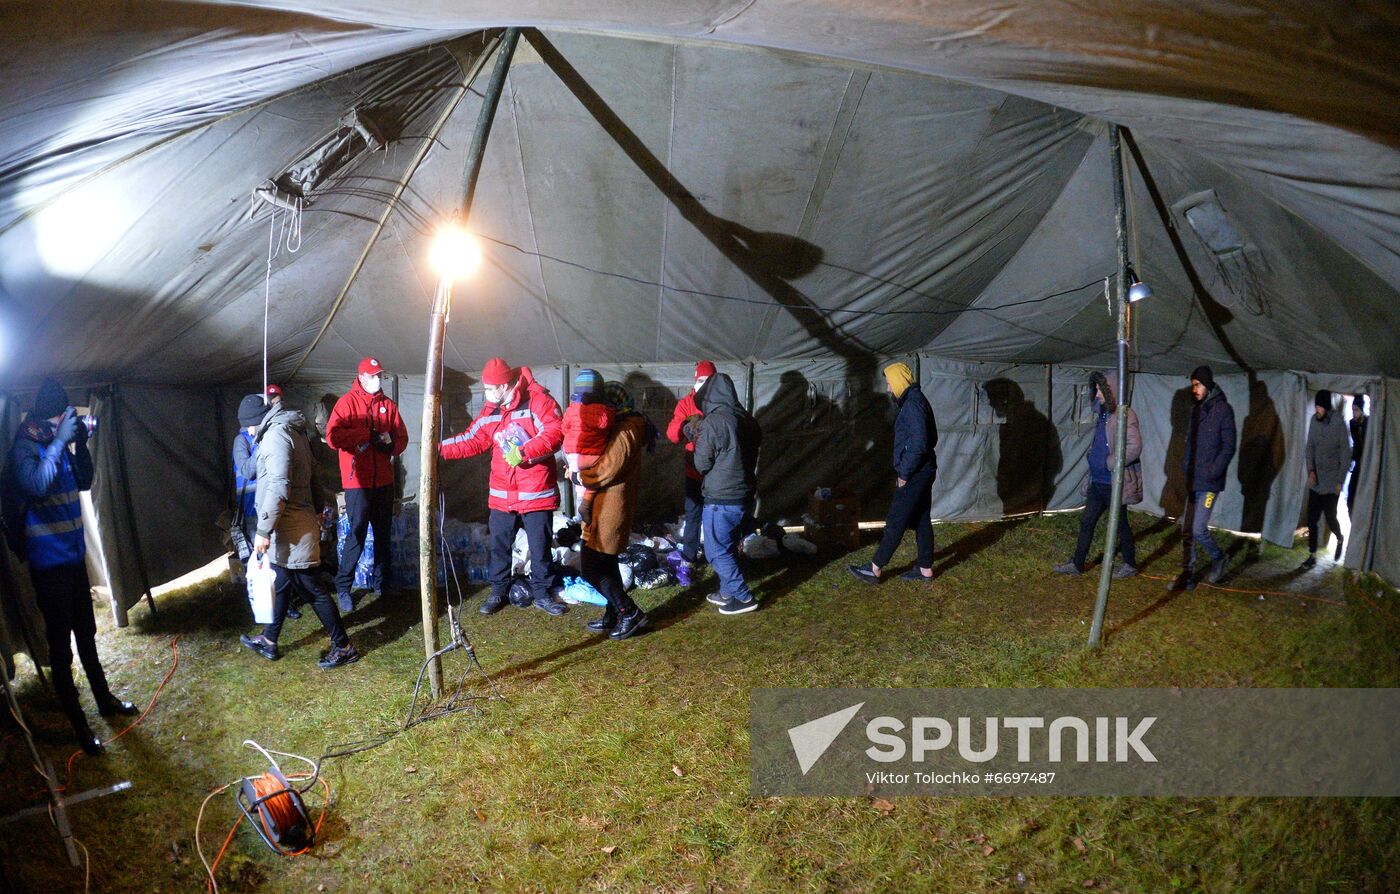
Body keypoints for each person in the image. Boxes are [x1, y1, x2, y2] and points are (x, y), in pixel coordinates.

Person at [3, 380, 136, 755]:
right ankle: (80, 726)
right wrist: (60, 441)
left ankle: (105, 701)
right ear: (47, 417)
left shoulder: (56, 442)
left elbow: (83, 481)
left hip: (74, 561)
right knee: (61, 649)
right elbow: (37, 485)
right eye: (61, 419)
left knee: (88, 635)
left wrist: (78, 444)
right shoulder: (26, 446)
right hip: (49, 567)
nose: (65, 423)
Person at [238, 395, 360, 668]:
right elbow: (314, 473)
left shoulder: (275, 437)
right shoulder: (292, 431)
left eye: (248, 427)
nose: (249, 433)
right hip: (294, 524)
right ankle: (269, 639)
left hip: (293, 528)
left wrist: (263, 530)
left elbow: (278, 486)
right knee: (282, 583)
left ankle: (344, 646)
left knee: (312, 589)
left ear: (255, 421)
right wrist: (317, 508)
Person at [439, 358, 567, 616]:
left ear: (504, 385)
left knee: (540, 546)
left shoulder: (538, 401)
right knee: (499, 545)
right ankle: (498, 591)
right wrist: (438, 449)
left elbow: (555, 432)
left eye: (489, 388)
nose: (486, 392)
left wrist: (524, 452)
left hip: (534, 493)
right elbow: (472, 439)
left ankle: (542, 594)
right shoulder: (492, 410)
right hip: (502, 495)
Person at [325, 357, 407, 612]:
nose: (377, 380)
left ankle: (382, 584)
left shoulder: (388, 405)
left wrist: (389, 447)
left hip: (383, 481)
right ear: (361, 377)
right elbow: (332, 436)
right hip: (357, 483)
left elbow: (401, 437)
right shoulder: (347, 403)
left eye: (379, 375)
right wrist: (364, 435)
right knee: (357, 534)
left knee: (383, 534)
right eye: (372, 376)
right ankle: (343, 587)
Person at [849, 362, 938, 584]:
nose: (888, 388)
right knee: (921, 518)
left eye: (889, 383)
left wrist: (904, 473)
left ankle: (875, 568)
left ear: (899, 380)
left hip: (915, 472)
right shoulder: (916, 400)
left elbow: (920, 443)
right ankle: (925, 568)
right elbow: (930, 438)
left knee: (896, 519)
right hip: (924, 469)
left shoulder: (913, 405)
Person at [575, 382, 651, 640]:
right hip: (604, 506)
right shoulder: (621, 425)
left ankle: (629, 612)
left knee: (591, 569)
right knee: (606, 564)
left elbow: (607, 468)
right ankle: (614, 613)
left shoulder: (627, 428)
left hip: (609, 508)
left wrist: (579, 476)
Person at [1053, 371, 1141, 579]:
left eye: (1101, 390)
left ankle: (1130, 564)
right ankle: (1077, 563)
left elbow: (1135, 446)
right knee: (1087, 521)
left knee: (1120, 524)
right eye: (1097, 389)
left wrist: (1110, 462)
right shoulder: (1102, 413)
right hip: (1097, 481)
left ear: (1112, 391)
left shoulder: (1125, 415)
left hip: (1114, 482)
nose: (1098, 394)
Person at [692, 371, 762, 615]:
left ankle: (743, 597)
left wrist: (696, 437)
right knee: (729, 545)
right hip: (744, 494)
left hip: (721, 497)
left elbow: (702, 464)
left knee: (716, 551)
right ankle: (726, 592)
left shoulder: (714, 422)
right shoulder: (748, 420)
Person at [1169, 366, 1236, 590]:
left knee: (1198, 528)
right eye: (1192, 385)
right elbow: (1190, 442)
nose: (1194, 389)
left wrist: (1213, 471)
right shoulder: (1195, 410)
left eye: (1197, 385)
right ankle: (1187, 574)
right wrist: (1185, 465)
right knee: (1187, 529)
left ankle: (1219, 557)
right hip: (1193, 479)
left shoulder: (1223, 410)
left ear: (1207, 385)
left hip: (1209, 482)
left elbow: (1228, 446)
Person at [667, 361, 716, 564]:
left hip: (717, 470)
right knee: (693, 511)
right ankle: (689, 554)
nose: (704, 385)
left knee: (716, 513)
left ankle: (717, 555)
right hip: (694, 468)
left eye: (709, 380)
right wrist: (686, 423)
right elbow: (672, 435)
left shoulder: (721, 403)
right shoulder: (686, 404)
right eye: (701, 380)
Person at [1301, 389, 1351, 569]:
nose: (1317, 410)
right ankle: (1312, 555)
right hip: (1316, 481)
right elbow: (1309, 448)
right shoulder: (1314, 421)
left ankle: (1339, 537)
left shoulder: (1339, 423)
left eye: (1320, 407)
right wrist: (1311, 471)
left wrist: (1340, 480)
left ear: (1327, 407)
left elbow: (1346, 453)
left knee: (1330, 517)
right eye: (1316, 406)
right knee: (1312, 519)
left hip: (1332, 482)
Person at [561, 368, 613, 521]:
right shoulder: (604, 411)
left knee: (579, 485)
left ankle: (579, 515)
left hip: (572, 453)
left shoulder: (571, 409)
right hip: (593, 454)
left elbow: (564, 428)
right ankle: (585, 505)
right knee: (592, 480)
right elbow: (607, 425)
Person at [1347, 394, 1368, 514]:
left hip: (1366, 462)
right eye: (1353, 409)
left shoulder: (1368, 422)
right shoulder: (1353, 424)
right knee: (1351, 492)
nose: (1354, 412)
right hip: (1359, 462)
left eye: (1356, 410)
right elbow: (1356, 443)